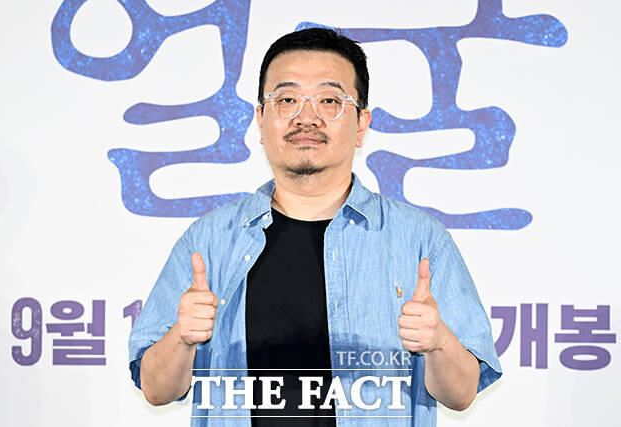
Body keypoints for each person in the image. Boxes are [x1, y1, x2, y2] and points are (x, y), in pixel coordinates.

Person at [128, 28, 502, 426]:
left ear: (361, 125)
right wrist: (182, 337)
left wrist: (438, 342)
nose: (306, 117)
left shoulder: (420, 241)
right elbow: (156, 389)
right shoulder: (209, 241)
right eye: (287, 99)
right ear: (261, 119)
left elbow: (461, 394)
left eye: (329, 100)